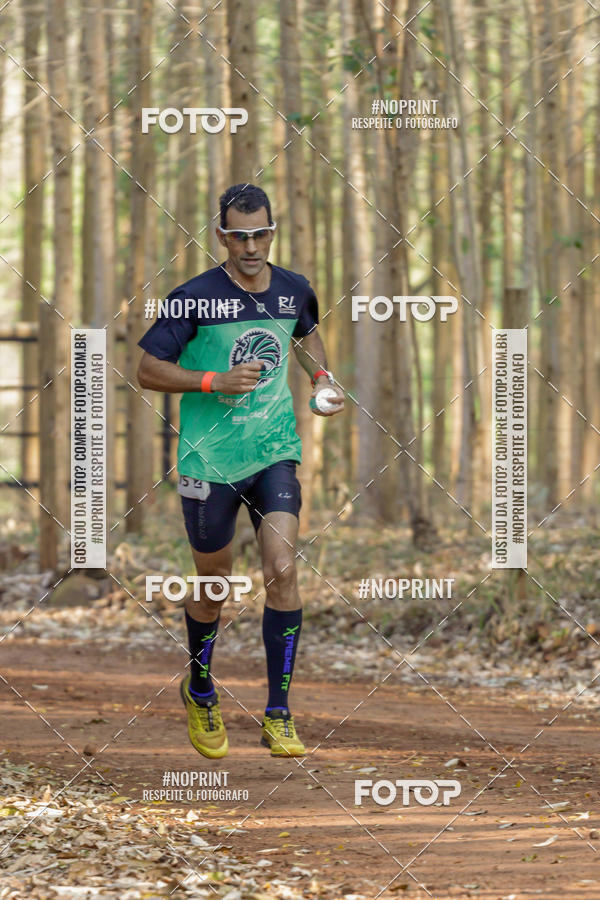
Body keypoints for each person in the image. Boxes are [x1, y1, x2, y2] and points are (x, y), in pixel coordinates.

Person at [137, 183, 344, 759]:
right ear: (221, 235)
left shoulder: (294, 288)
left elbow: (306, 335)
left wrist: (321, 379)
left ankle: (278, 713)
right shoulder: (193, 297)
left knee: (282, 569)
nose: (251, 246)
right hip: (209, 461)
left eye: (261, 233)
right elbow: (147, 369)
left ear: (272, 231)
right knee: (215, 587)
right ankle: (200, 686)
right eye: (239, 235)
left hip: (273, 448)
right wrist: (213, 381)